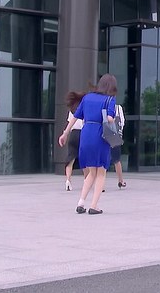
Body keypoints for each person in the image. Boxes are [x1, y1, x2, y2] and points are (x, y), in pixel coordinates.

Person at [58, 74, 117, 215]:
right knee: (101, 172)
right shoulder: (110, 99)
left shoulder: (87, 97)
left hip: (86, 134)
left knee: (91, 172)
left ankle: (81, 202)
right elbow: (109, 119)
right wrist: (113, 119)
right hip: (100, 135)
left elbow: (75, 117)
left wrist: (65, 133)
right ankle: (94, 206)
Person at [62, 91, 86, 191]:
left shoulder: (71, 110)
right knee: (84, 159)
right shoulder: (84, 109)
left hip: (73, 134)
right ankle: (86, 180)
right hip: (83, 134)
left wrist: (65, 134)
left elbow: (69, 123)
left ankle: (68, 180)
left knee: (70, 158)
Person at [110, 102, 127, 189]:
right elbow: (121, 122)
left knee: (103, 160)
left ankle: (100, 183)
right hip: (114, 136)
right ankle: (120, 181)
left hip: (104, 135)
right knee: (116, 160)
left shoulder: (103, 106)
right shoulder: (117, 108)